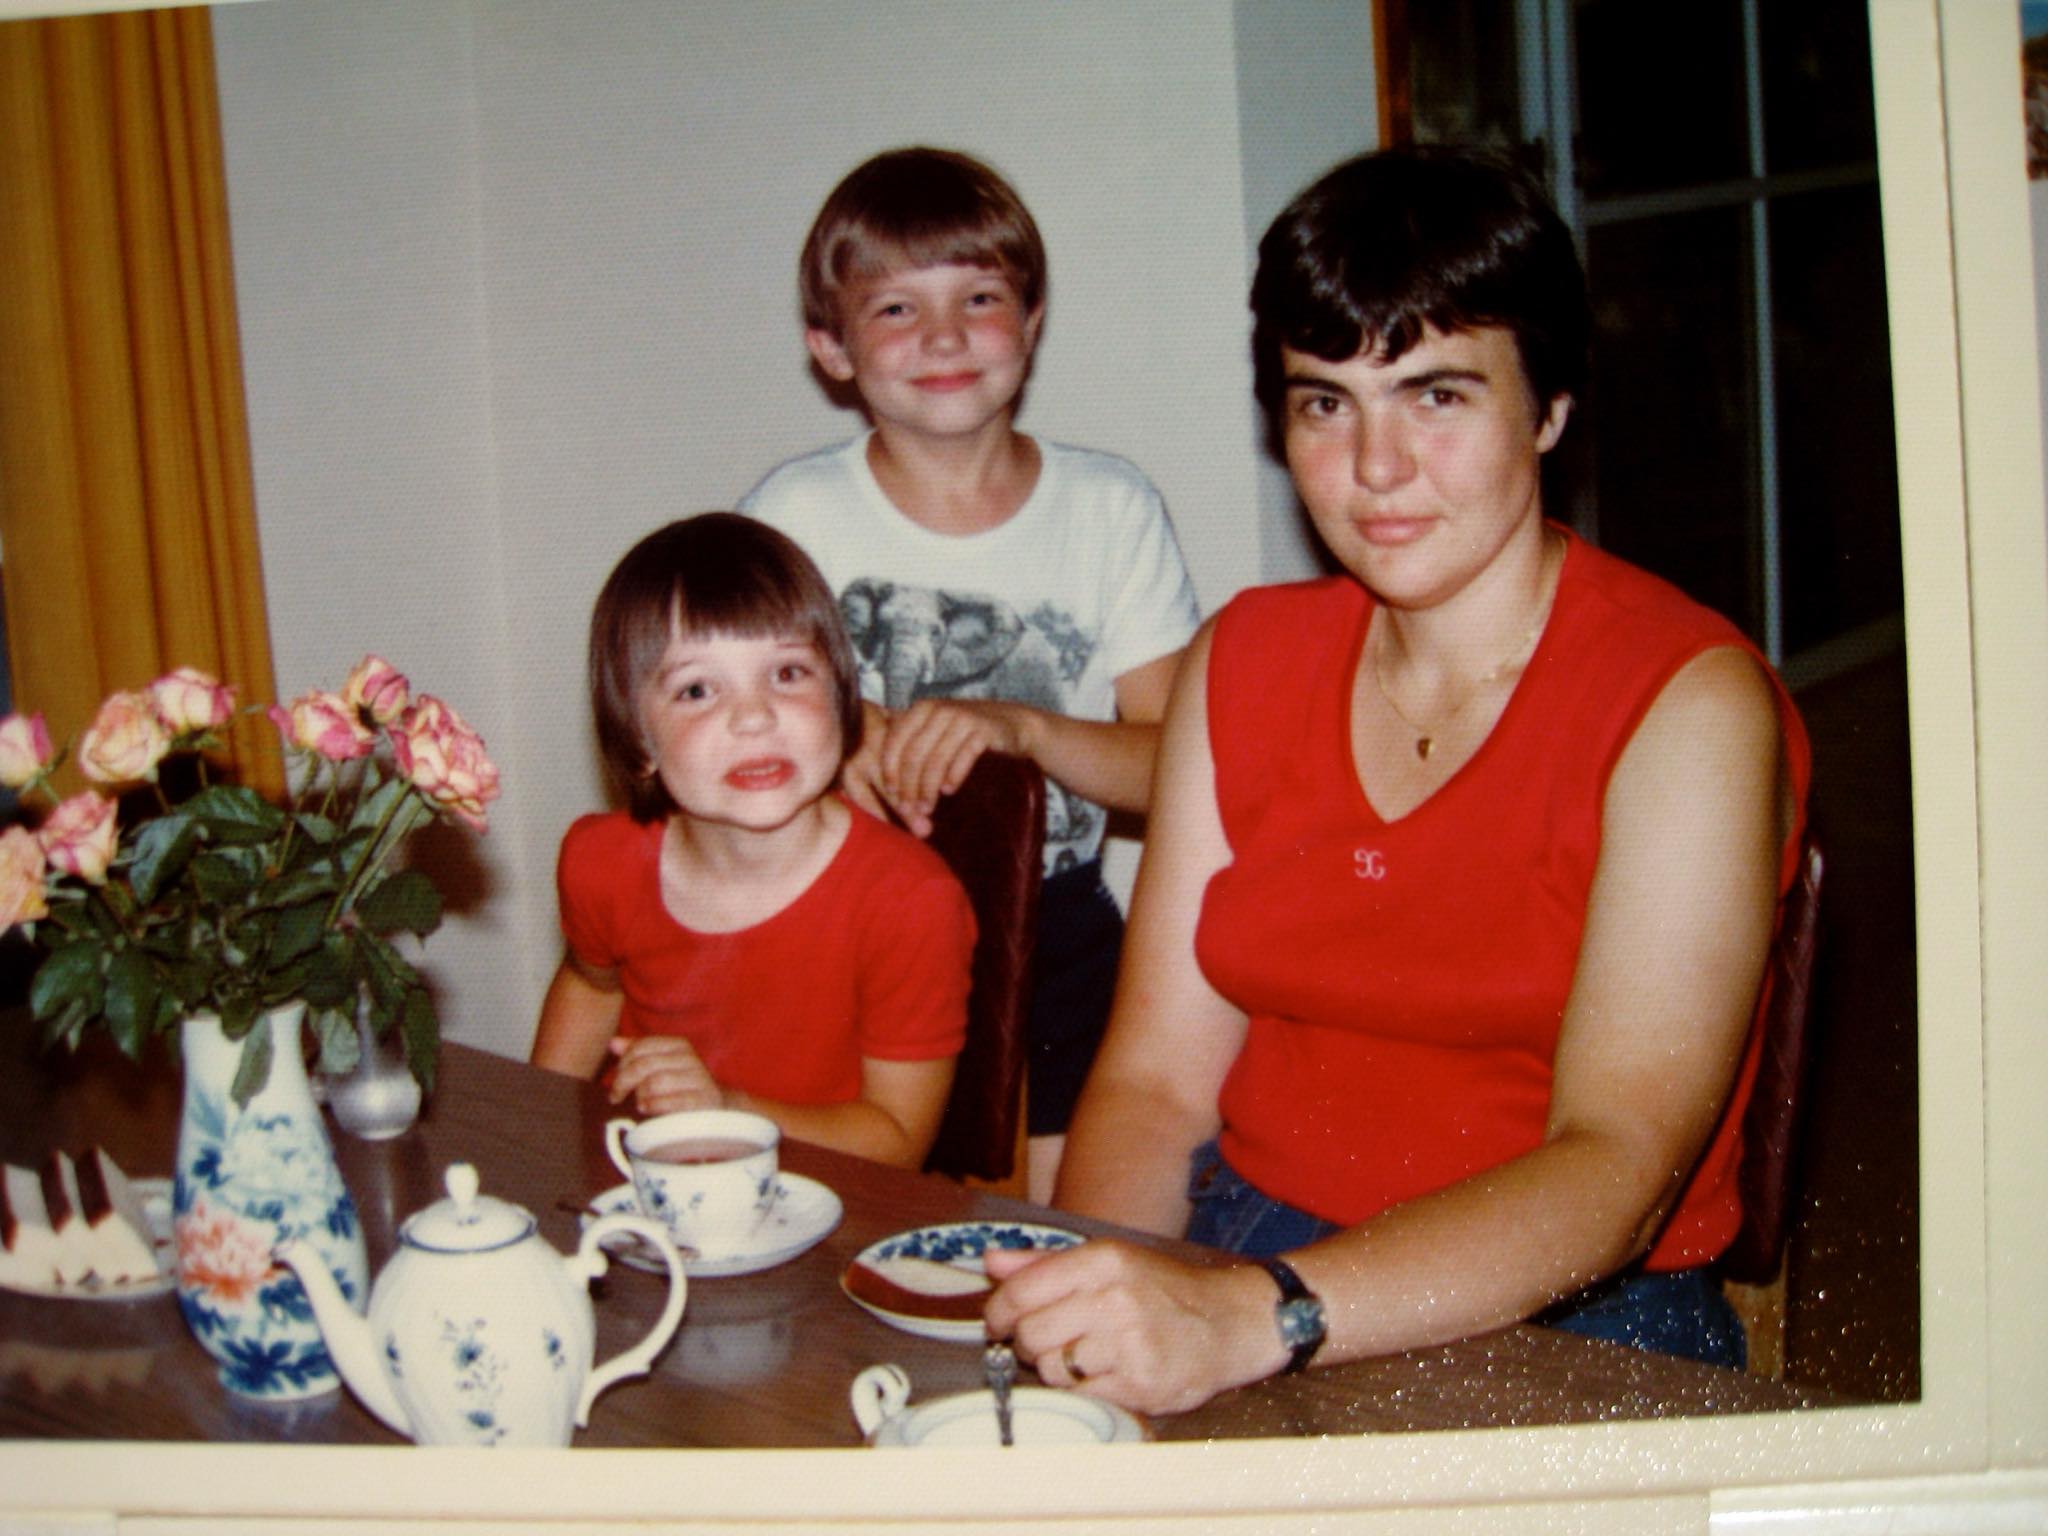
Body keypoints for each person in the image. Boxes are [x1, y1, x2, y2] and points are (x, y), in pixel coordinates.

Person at [982, 146, 1813, 1413]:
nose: (1372, 468)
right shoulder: (1242, 663)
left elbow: (1617, 1161)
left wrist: (1258, 1317)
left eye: (1435, 397)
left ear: (1546, 408)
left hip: (1571, 1304)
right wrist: (1102, 1326)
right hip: (1242, 1242)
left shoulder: (1688, 703)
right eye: (1324, 403)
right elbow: (1153, 1084)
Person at [738, 147, 1201, 1199]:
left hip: (1058, 937)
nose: (942, 337)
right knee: (869, 1232)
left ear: (1030, 322)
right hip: (851, 936)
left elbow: (1187, 771)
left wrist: (1025, 730)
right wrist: (840, 734)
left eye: (979, 298)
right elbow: (712, 732)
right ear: (830, 346)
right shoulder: (788, 517)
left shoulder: (1107, 510)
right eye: (895, 308)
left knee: (1056, 1242)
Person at [530, 513, 975, 1169]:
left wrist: (728, 1113)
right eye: (698, 689)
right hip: (647, 1189)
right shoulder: (601, 861)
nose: (753, 715)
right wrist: (536, 1142)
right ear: (637, 743)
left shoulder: (910, 902)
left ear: (843, 696)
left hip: (828, 1207)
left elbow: (898, 1141)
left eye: (788, 673)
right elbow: (592, 989)